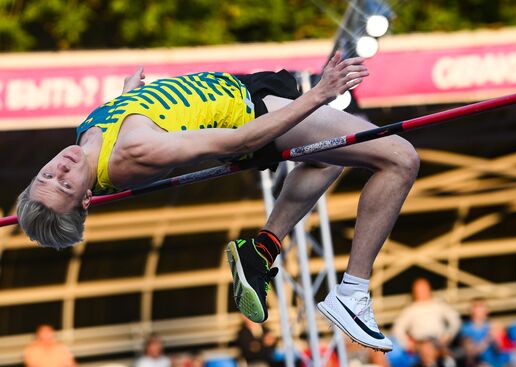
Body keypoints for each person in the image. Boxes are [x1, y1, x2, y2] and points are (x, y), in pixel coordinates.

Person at [17, 51, 420, 351]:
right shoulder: (137, 152)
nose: (60, 169)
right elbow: (240, 141)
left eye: (47, 175)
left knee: (325, 161)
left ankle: (261, 250)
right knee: (399, 159)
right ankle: (352, 293)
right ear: (86, 198)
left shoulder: (84, 137)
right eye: (64, 185)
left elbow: (131, 117)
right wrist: (319, 94)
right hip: (253, 114)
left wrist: (128, 95)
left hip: (243, 87)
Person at [392, 278, 461, 352]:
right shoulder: (410, 309)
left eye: (423, 289)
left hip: (438, 344)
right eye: (418, 290)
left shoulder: (439, 304)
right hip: (420, 347)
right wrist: (407, 343)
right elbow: (397, 329)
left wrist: (448, 335)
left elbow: (455, 320)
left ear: (429, 289)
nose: (421, 292)